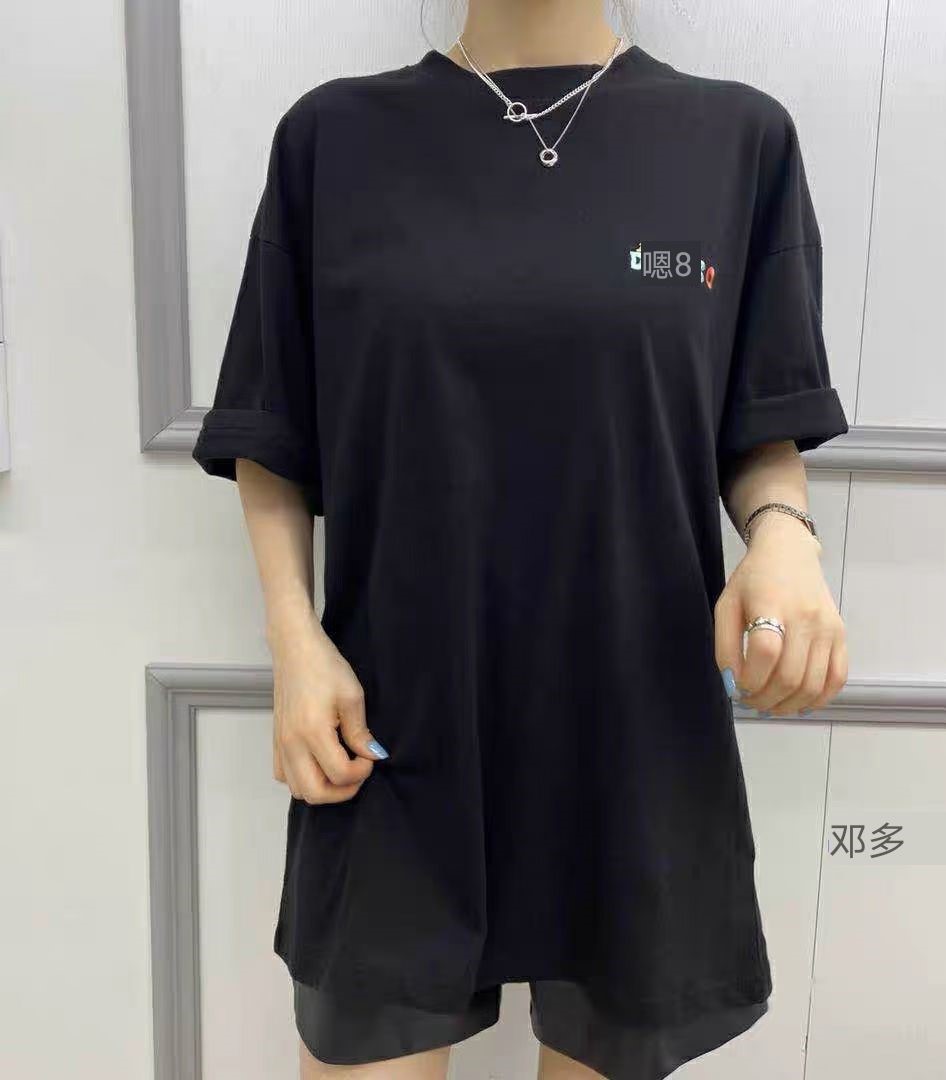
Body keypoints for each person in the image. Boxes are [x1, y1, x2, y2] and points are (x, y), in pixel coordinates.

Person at [192, 1, 850, 1077]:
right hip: (392, 713)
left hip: (631, 717)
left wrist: (785, 540)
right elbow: (273, 426)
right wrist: (294, 640)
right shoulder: (333, 139)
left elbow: (760, 422)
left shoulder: (739, 140)